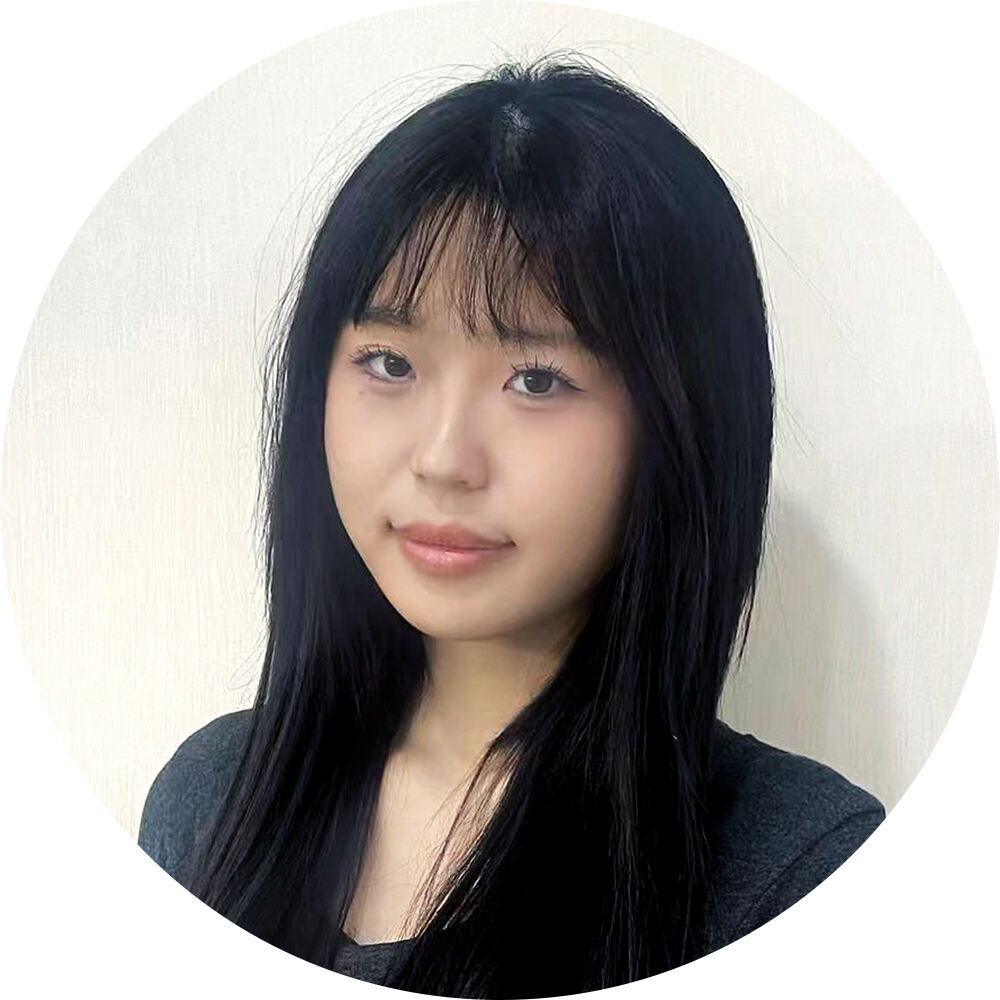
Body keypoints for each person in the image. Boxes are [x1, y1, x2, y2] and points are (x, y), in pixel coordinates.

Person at [138, 57, 885, 997]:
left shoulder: (797, 870)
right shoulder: (210, 798)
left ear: (683, 426)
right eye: (389, 363)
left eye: (537, 379)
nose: (443, 457)